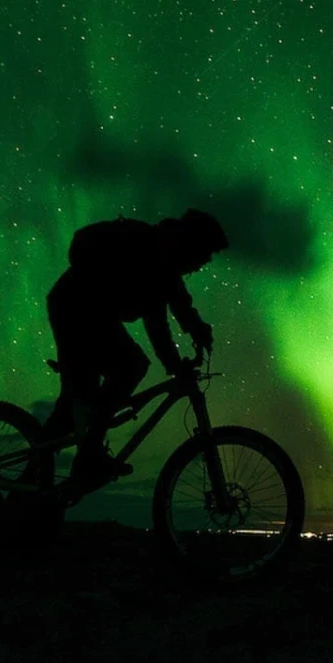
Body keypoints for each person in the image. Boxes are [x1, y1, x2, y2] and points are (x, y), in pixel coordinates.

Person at [44, 208, 229, 487]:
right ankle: (88, 458)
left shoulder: (165, 259)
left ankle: (34, 489)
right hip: (77, 309)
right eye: (206, 254)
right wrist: (175, 365)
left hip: (76, 306)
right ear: (193, 244)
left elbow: (179, 302)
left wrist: (198, 330)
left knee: (76, 401)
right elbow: (157, 322)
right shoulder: (156, 257)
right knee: (131, 365)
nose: (204, 264)